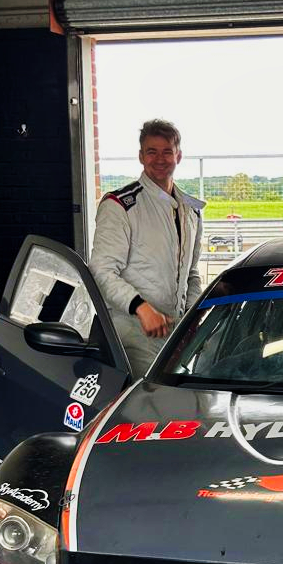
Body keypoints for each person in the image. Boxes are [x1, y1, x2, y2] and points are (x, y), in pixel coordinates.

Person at [89, 119, 205, 376]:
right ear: (141, 156)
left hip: (176, 334)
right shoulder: (120, 205)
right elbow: (101, 270)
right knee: (143, 409)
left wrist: (194, 317)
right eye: (152, 151)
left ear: (179, 156)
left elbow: (192, 274)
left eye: (167, 151)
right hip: (131, 334)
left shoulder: (190, 210)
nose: (160, 159)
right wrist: (141, 308)